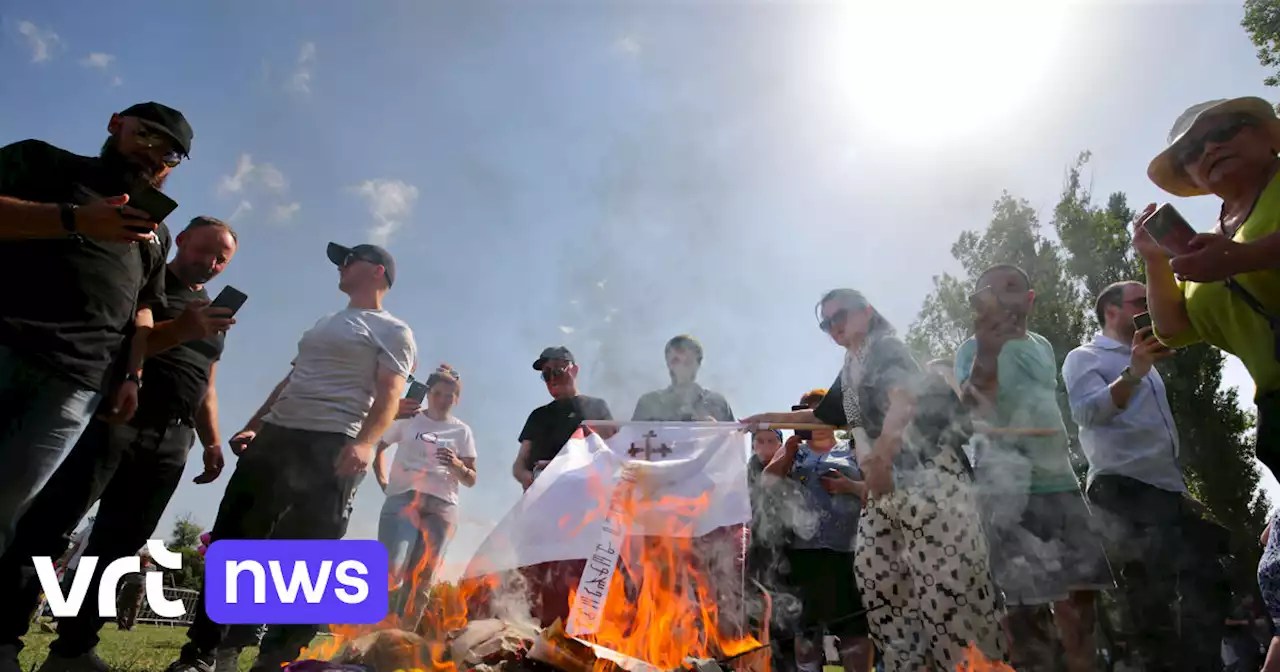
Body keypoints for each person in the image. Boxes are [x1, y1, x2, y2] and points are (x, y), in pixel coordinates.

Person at [0, 216, 238, 672]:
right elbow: (118, 343)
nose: (209, 263)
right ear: (181, 241)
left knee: (119, 548)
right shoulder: (146, 283)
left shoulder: (211, 313)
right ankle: (2, 639)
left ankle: (73, 650)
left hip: (173, 436)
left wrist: (210, 441)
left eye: (220, 259)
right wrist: (178, 330)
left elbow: (207, 383)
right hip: (116, 416)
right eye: (202, 250)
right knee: (49, 527)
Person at [167, 241, 417, 672]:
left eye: (349, 260)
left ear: (377, 272)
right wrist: (255, 424)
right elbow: (291, 380)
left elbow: (391, 392)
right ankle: (201, 655)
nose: (341, 266)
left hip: (332, 443)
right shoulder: (326, 323)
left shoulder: (393, 330)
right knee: (233, 542)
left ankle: (276, 660)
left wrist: (365, 442)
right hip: (276, 438)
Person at [745, 288, 1005, 671]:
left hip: (927, 477)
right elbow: (824, 417)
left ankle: (973, 665)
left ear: (866, 313)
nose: (834, 326)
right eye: (827, 322)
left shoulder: (886, 348)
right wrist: (764, 418)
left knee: (948, 593)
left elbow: (904, 399)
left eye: (841, 316)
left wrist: (881, 457)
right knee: (879, 579)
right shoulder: (851, 365)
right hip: (885, 489)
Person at [0, 101, 194, 557]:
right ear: (115, 124)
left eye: (169, 154)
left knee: (6, 509)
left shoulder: (156, 234)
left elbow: (144, 309)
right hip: (7, 343)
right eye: (146, 136)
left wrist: (132, 375)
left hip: (75, 385)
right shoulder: (43, 162)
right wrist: (77, 220)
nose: (153, 155)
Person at [955, 264, 1114, 672]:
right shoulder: (972, 348)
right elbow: (972, 411)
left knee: (1081, 605)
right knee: (1026, 616)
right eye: (989, 288)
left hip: (1061, 483)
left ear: (1029, 298)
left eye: (1010, 287)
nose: (999, 294)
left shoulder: (1043, 344)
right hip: (1008, 492)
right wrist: (988, 352)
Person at [1063, 280, 1228, 669]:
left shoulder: (1147, 363)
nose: (1148, 309)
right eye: (1140, 302)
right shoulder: (1084, 357)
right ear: (1112, 310)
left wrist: (1179, 489)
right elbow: (1086, 413)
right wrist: (1134, 372)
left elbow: (1157, 433)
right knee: (1150, 595)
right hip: (1122, 489)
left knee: (1210, 577)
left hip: (1165, 491)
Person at [1138, 96, 1280, 481]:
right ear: (1190, 177)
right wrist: (1154, 259)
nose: (1210, 149)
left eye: (1223, 131)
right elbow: (1173, 329)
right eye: (1191, 151)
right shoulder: (1210, 242)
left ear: (1267, 136)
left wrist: (1241, 258)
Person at [763, 389, 871, 672]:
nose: (814, 419)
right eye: (808, 413)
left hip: (848, 551)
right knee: (806, 632)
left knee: (854, 631)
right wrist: (787, 452)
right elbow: (767, 482)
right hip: (804, 552)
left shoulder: (852, 448)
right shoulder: (793, 451)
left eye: (820, 412)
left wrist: (848, 486)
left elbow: (877, 492)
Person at [512, 346, 614, 627]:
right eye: (545, 375)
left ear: (574, 370)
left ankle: (579, 642)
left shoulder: (596, 407)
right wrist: (533, 480)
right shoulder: (537, 416)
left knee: (579, 578)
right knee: (538, 578)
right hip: (541, 514)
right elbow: (518, 465)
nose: (552, 378)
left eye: (557, 370)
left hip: (584, 513)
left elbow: (611, 454)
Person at [373, 364, 477, 630]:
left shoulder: (461, 431)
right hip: (404, 499)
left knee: (422, 579)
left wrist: (457, 464)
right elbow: (378, 445)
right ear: (429, 393)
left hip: (442, 507)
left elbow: (471, 479)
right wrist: (383, 480)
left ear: (457, 399)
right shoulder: (409, 420)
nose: (443, 400)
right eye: (438, 393)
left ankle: (399, 640)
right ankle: (365, 632)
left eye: (449, 396)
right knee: (391, 567)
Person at [745, 428, 797, 672]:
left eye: (771, 440)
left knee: (788, 619)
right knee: (755, 616)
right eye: (760, 441)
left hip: (791, 553)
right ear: (753, 445)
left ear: (780, 443)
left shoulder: (794, 468)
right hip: (753, 556)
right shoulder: (740, 475)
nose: (765, 445)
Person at [631, 335, 734, 422]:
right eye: (675, 360)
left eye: (687, 361)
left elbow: (735, 441)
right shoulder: (649, 403)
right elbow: (632, 439)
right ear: (668, 363)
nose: (681, 367)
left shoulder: (717, 403)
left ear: (698, 363)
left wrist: (715, 431)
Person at [114, 553, 150, 632]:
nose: (143, 559)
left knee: (135, 606)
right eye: (142, 557)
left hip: (140, 588)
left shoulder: (151, 567)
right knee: (122, 605)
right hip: (128, 585)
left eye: (146, 558)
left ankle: (130, 625)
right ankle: (121, 624)